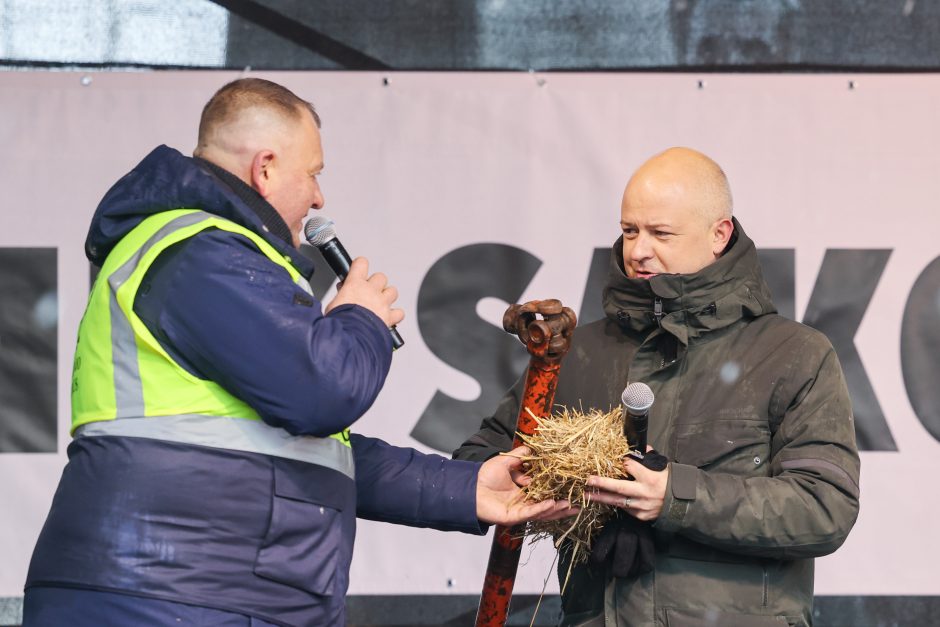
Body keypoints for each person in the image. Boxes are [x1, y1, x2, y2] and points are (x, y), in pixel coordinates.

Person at [23, 78, 575, 627]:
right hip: (166, 596)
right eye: (312, 174)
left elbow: (305, 450)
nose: (318, 198)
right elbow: (324, 391)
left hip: (196, 592)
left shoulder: (209, 255)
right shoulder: (199, 253)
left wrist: (466, 488)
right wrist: (360, 316)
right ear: (265, 168)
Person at [454, 147, 860, 627]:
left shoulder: (794, 354)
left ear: (719, 234)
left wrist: (675, 498)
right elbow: (481, 464)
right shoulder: (575, 354)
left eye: (661, 233)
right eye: (629, 230)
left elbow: (823, 507)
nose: (638, 250)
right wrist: (551, 494)